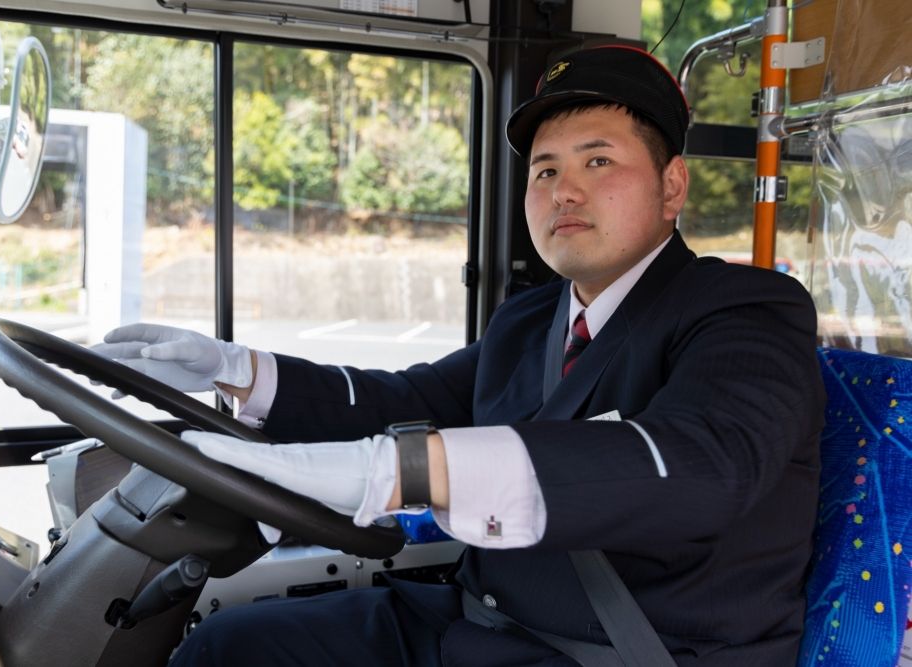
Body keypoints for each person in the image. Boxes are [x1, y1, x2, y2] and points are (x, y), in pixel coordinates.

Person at [94, 45, 824, 666]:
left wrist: (407, 470)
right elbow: (405, 398)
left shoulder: (747, 309)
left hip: (623, 650)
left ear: (672, 186)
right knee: (228, 647)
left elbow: (703, 462)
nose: (564, 188)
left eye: (598, 160)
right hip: (474, 626)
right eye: (544, 171)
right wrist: (238, 369)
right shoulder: (532, 316)